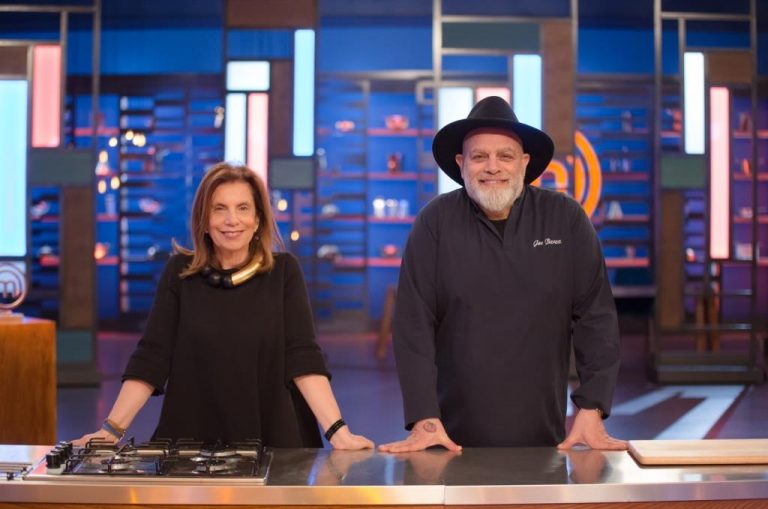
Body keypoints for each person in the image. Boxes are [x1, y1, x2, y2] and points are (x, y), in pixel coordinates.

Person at [379, 96, 627, 452]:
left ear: (524, 162)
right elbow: (413, 324)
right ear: (462, 164)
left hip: (545, 434)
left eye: (505, 156)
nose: (492, 167)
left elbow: (596, 317)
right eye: (479, 156)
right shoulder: (435, 222)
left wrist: (592, 407)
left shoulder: (565, 218)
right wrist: (423, 418)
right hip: (448, 439)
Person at [76, 162, 373, 450]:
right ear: (204, 221)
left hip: (273, 440)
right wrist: (110, 430)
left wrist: (338, 433)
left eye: (243, 208)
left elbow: (303, 357)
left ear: (258, 219)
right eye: (219, 209)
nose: (232, 220)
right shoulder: (180, 273)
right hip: (192, 443)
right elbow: (152, 356)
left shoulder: (284, 272)